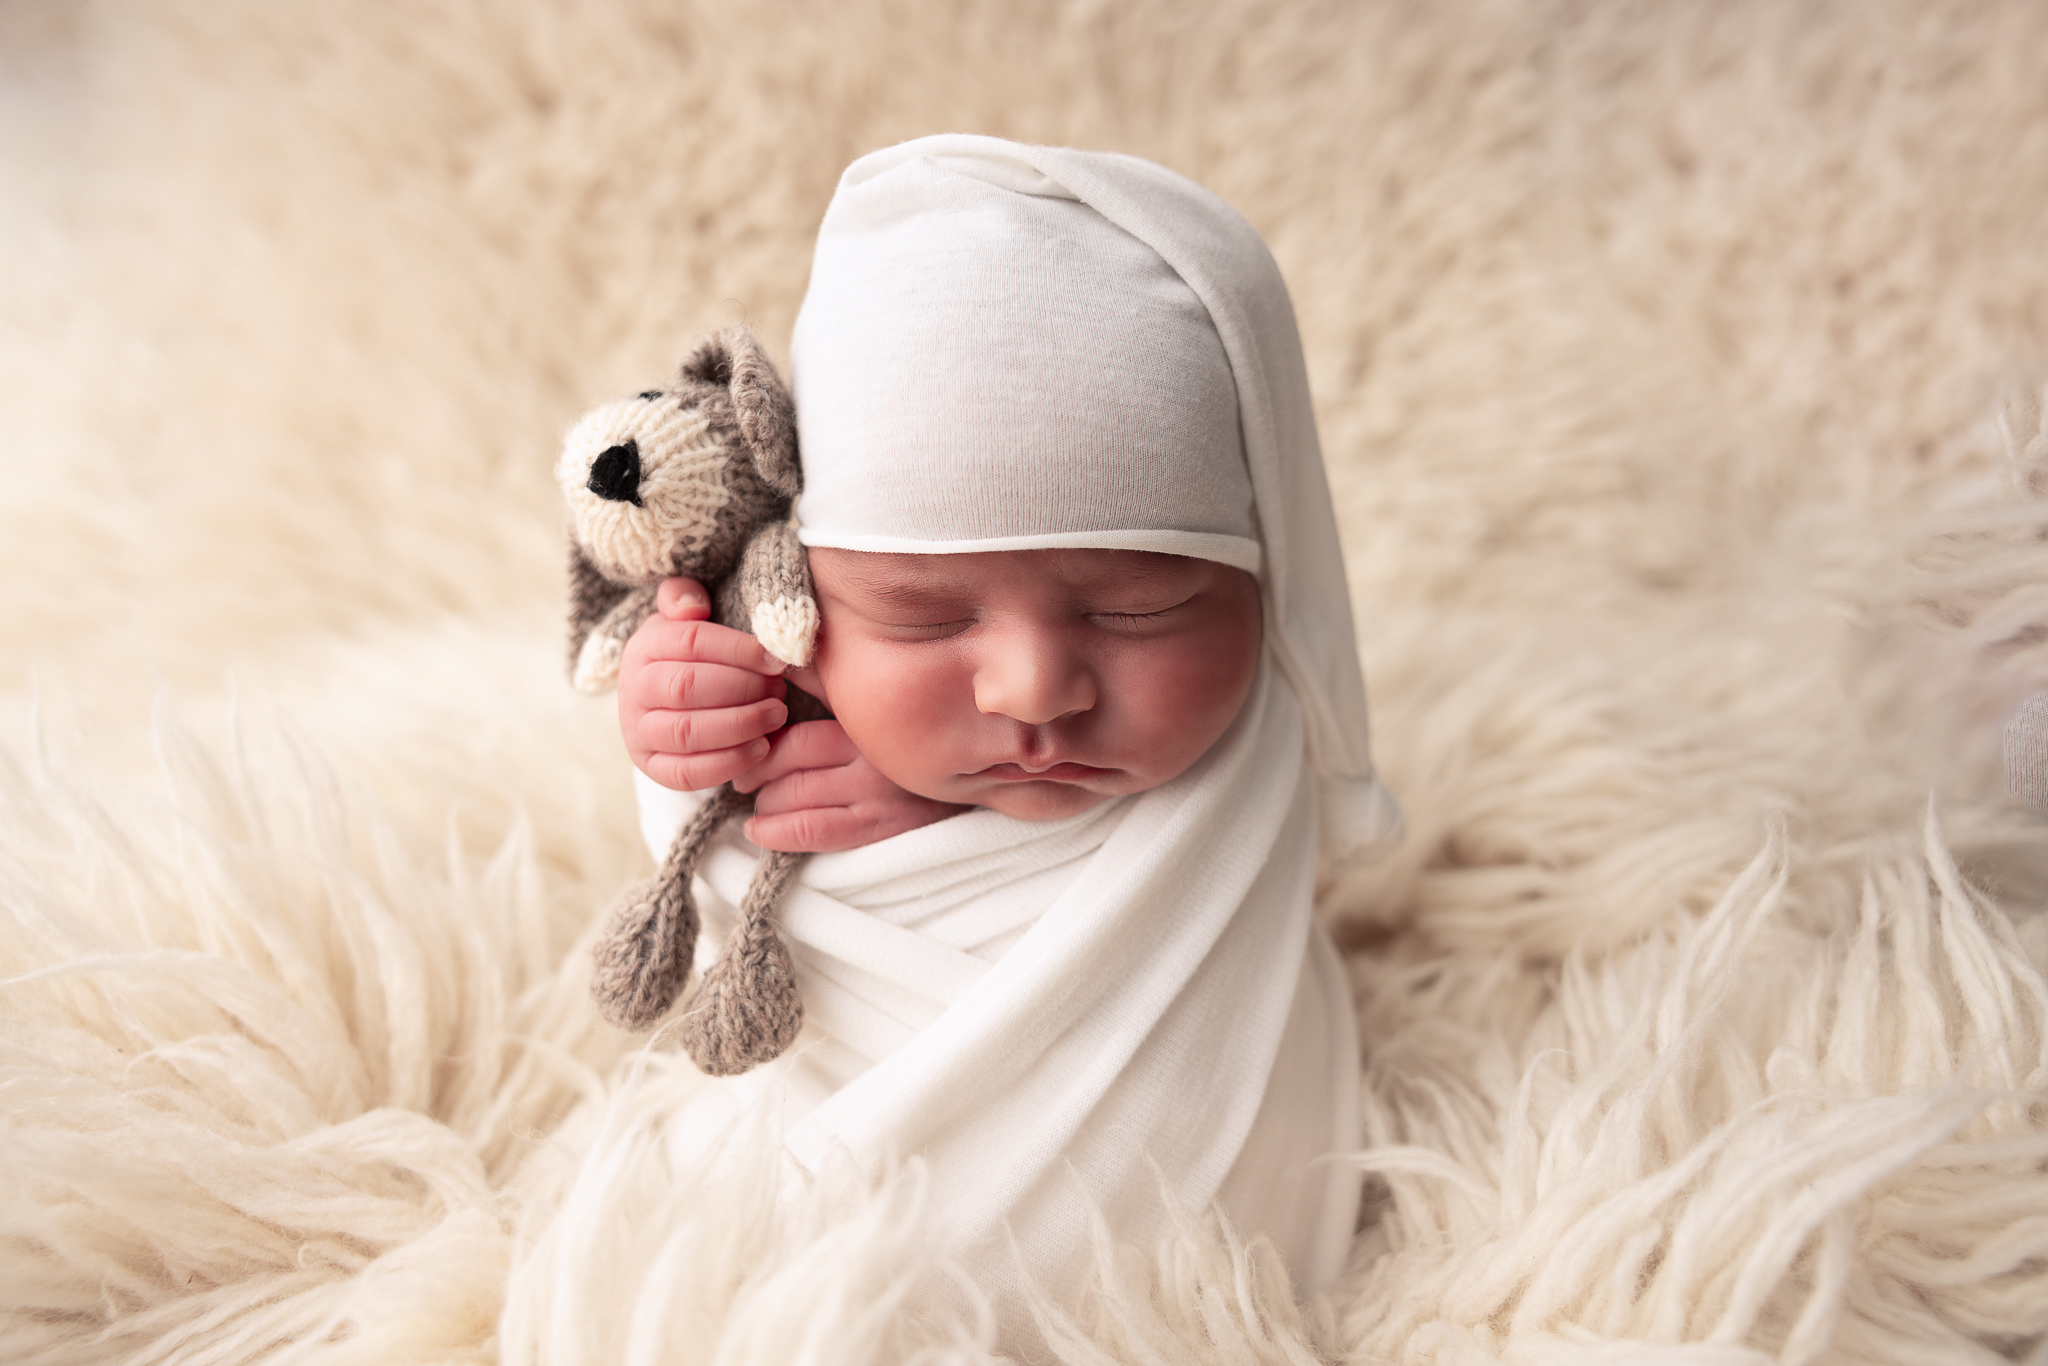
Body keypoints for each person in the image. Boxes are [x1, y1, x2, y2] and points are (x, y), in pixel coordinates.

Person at [613, 134, 1400, 1348]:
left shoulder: (1250, 744)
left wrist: (951, 806)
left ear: (1258, 590)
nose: (1035, 688)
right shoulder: (785, 681)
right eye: (923, 618)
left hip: (1200, 1284)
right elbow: (713, 858)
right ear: (804, 608)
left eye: (1137, 608)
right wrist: (686, 726)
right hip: (805, 1246)